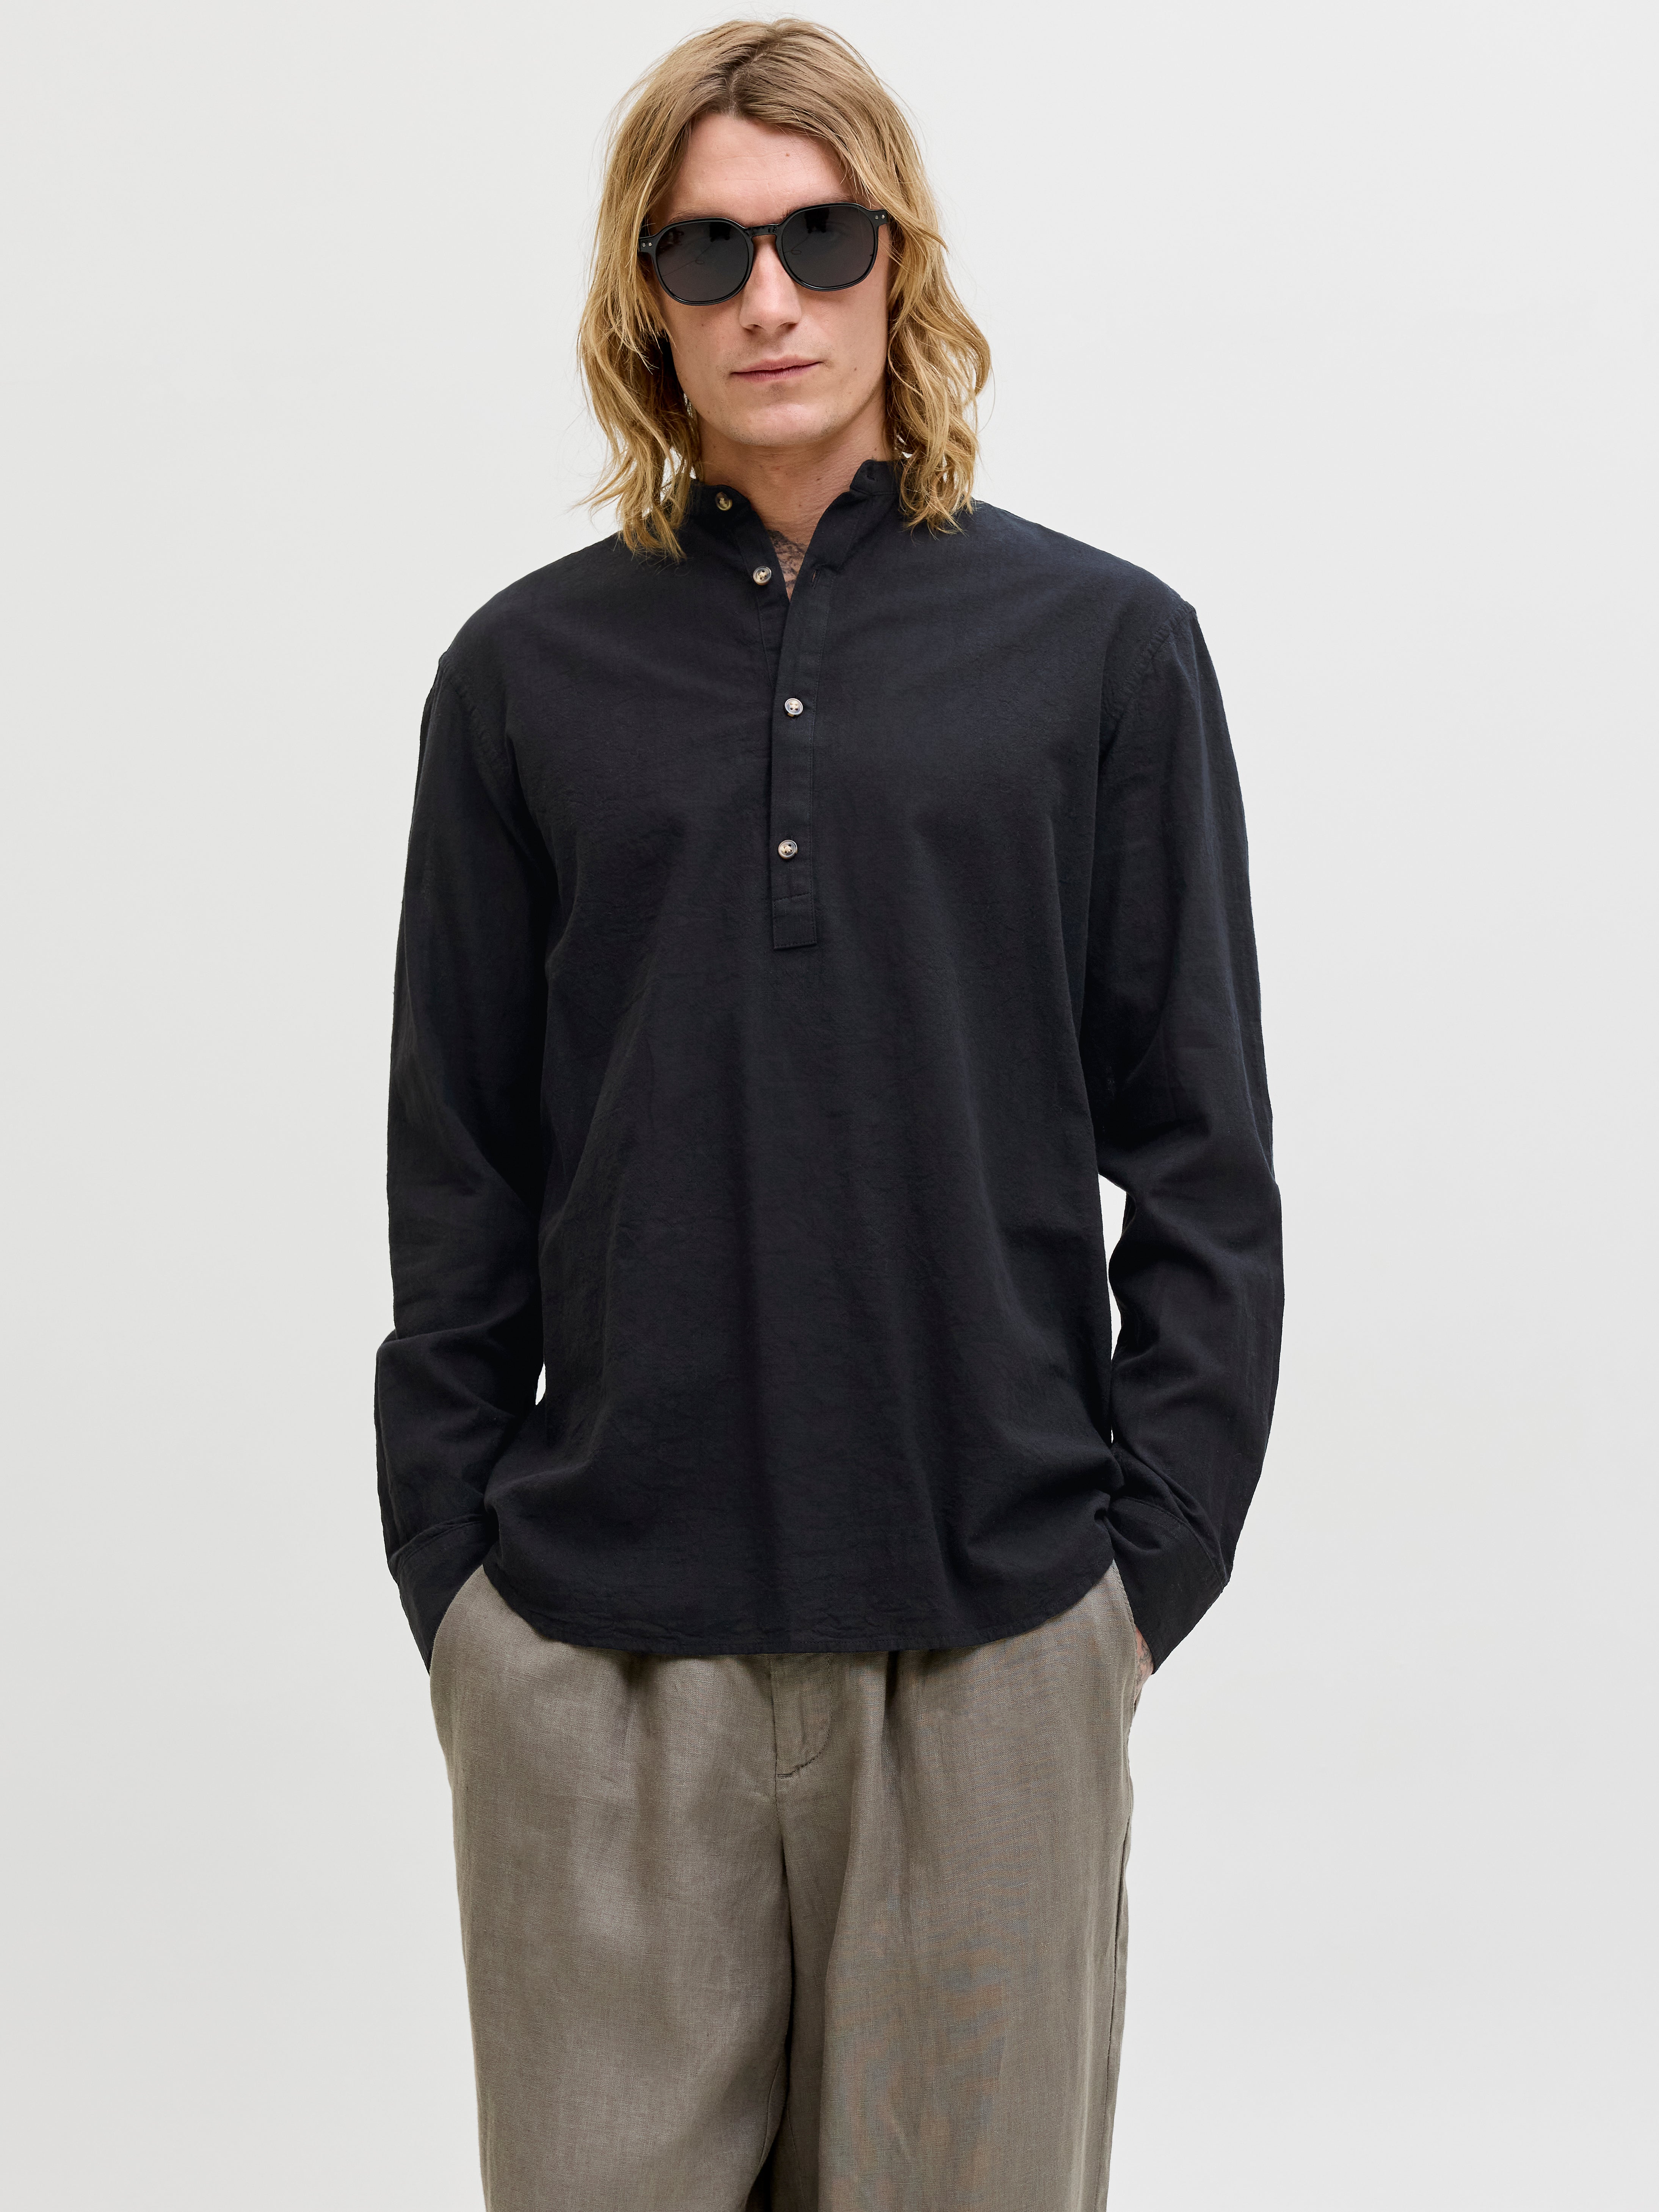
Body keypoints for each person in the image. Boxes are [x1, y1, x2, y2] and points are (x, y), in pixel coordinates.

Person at [375, 18, 1283, 2210]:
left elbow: (1201, 1157)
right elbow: (457, 1167)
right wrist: (462, 1591)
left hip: (992, 1644)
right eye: (706, 249)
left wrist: (1130, 1584)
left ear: (899, 264)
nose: (766, 296)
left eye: (819, 238)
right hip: (595, 1658)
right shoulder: (522, 676)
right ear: (644, 295)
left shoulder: (1101, 650)